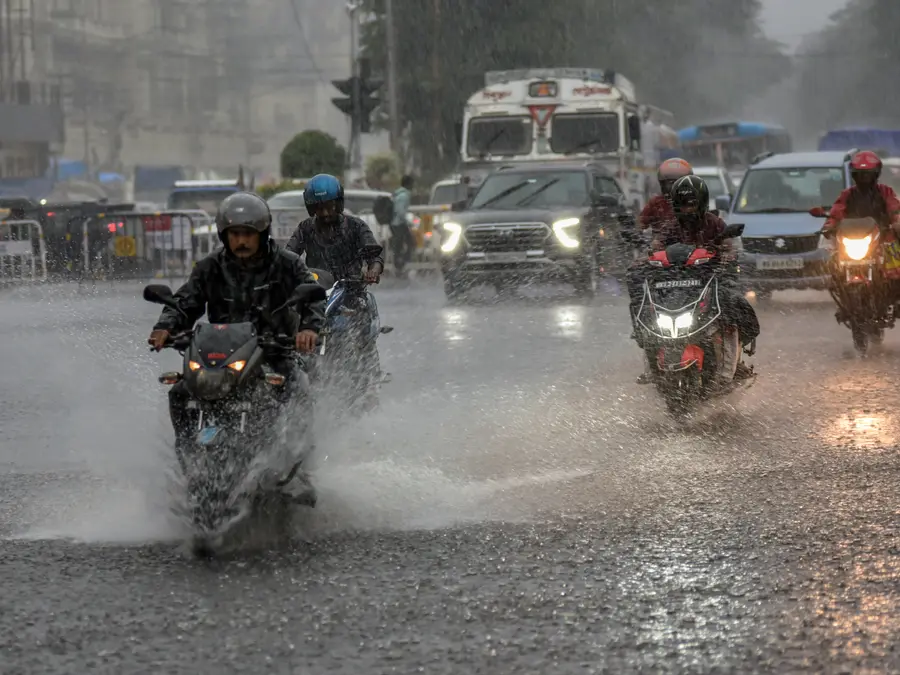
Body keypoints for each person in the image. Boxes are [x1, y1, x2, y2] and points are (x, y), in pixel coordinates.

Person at [147, 191, 325, 505]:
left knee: (297, 386)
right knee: (179, 393)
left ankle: (298, 468)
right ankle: (188, 464)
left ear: (262, 234)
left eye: (247, 234)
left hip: (273, 352)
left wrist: (308, 328)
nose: (241, 241)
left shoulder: (287, 264)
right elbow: (186, 301)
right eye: (234, 234)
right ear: (224, 235)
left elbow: (313, 297)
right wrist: (165, 327)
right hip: (220, 355)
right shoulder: (210, 267)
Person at [630, 176, 759, 383]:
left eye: (691, 204)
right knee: (648, 314)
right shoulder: (671, 227)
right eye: (682, 204)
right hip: (677, 286)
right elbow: (656, 246)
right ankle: (652, 367)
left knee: (732, 307)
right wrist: (645, 259)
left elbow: (729, 245)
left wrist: (726, 256)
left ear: (701, 203)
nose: (688, 209)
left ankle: (733, 367)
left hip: (709, 281)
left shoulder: (714, 223)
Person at [285, 173, 386, 399]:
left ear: (339, 203)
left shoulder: (356, 226)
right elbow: (288, 257)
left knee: (355, 324)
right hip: (315, 294)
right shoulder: (305, 229)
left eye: (329, 206)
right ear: (311, 208)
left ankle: (364, 379)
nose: (325, 213)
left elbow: (376, 255)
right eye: (319, 208)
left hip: (351, 292)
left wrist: (372, 271)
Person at [824, 150, 900, 232]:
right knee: (826, 243)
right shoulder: (847, 194)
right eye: (860, 174)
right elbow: (836, 213)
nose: (864, 177)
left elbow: (894, 210)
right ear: (854, 175)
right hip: (851, 236)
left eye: (868, 174)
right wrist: (830, 225)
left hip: (884, 237)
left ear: (876, 174)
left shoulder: (885, 191)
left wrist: (897, 222)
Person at [638, 158, 694, 239]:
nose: (673, 187)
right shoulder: (656, 203)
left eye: (678, 183)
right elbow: (641, 223)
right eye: (670, 183)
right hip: (661, 247)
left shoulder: (694, 202)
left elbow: (707, 225)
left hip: (691, 247)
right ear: (662, 184)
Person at [390, 174, 416, 275]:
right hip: (399, 224)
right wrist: (408, 222)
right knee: (410, 243)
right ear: (409, 184)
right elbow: (400, 211)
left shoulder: (399, 194)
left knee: (400, 245)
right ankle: (399, 265)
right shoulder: (404, 196)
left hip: (397, 224)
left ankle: (399, 265)